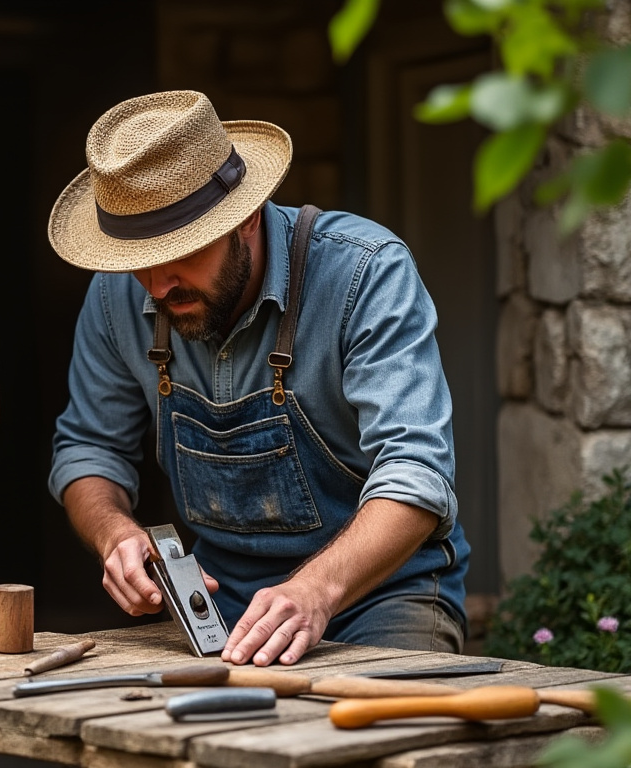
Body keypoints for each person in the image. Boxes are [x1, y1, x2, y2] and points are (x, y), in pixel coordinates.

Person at [47, 91, 469, 667]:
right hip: (220, 602)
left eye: (178, 254)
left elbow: (415, 473)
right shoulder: (114, 295)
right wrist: (112, 532)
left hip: (383, 594)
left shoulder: (365, 272)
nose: (156, 287)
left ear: (243, 216)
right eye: (138, 260)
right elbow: (88, 450)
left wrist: (315, 591)